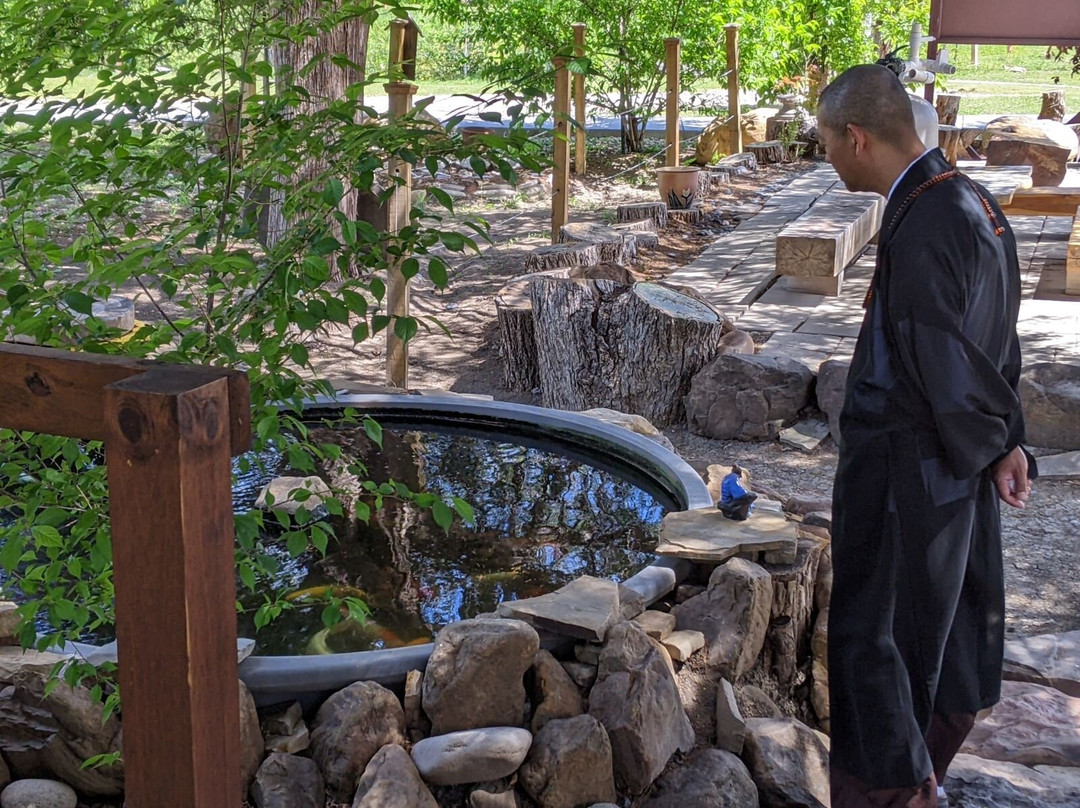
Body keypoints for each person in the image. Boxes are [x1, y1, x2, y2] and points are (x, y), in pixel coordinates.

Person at [816, 64, 1036, 808]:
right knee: (934, 627)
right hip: (956, 460)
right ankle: (921, 774)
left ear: (857, 137)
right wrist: (1008, 441)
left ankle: (892, 790)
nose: (827, 158)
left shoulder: (932, 219)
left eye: (826, 142)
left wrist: (992, 440)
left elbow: (943, 356)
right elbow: (1000, 342)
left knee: (875, 634)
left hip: (908, 469)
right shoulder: (971, 202)